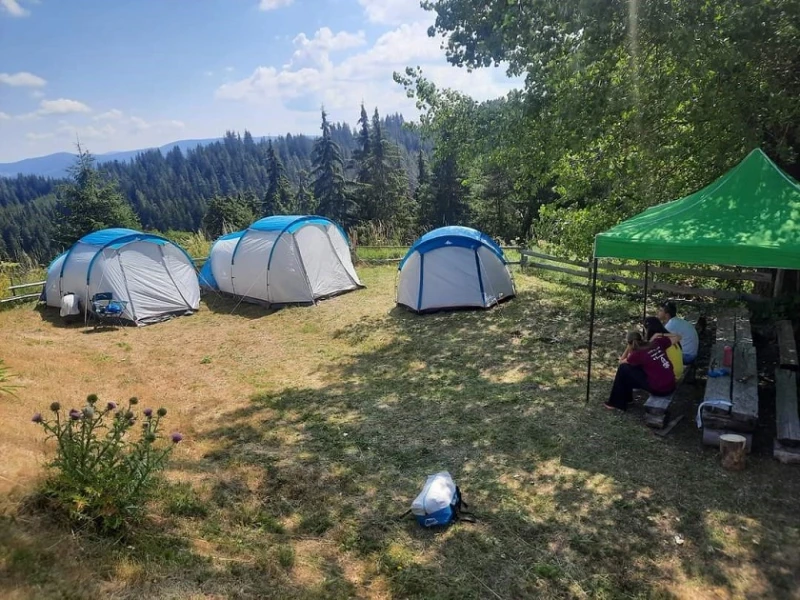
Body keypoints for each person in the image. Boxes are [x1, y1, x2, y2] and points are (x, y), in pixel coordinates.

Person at [605, 331, 676, 411]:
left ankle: (616, 403)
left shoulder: (637, 354)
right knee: (632, 369)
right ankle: (628, 399)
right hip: (671, 384)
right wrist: (660, 334)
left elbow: (621, 362)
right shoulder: (657, 342)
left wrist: (628, 347)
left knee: (623, 368)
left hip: (660, 389)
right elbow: (678, 337)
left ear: (629, 343)